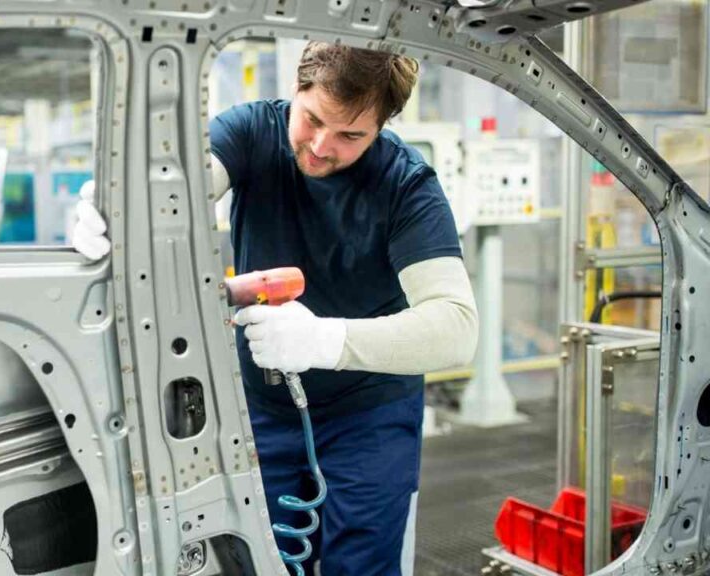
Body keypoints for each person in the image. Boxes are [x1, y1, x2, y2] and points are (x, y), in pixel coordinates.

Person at [73, 42, 478, 576]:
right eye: (312, 119)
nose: (320, 146)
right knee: (257, 557)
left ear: (382, 126)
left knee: (361, 564)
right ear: (297, 89)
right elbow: (176, 188)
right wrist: (113, 206)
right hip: (262, 409)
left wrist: (325, 342)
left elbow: (456, 328)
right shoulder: (248, 134)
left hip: (370, 414)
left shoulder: (406, 185)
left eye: (350, 135)